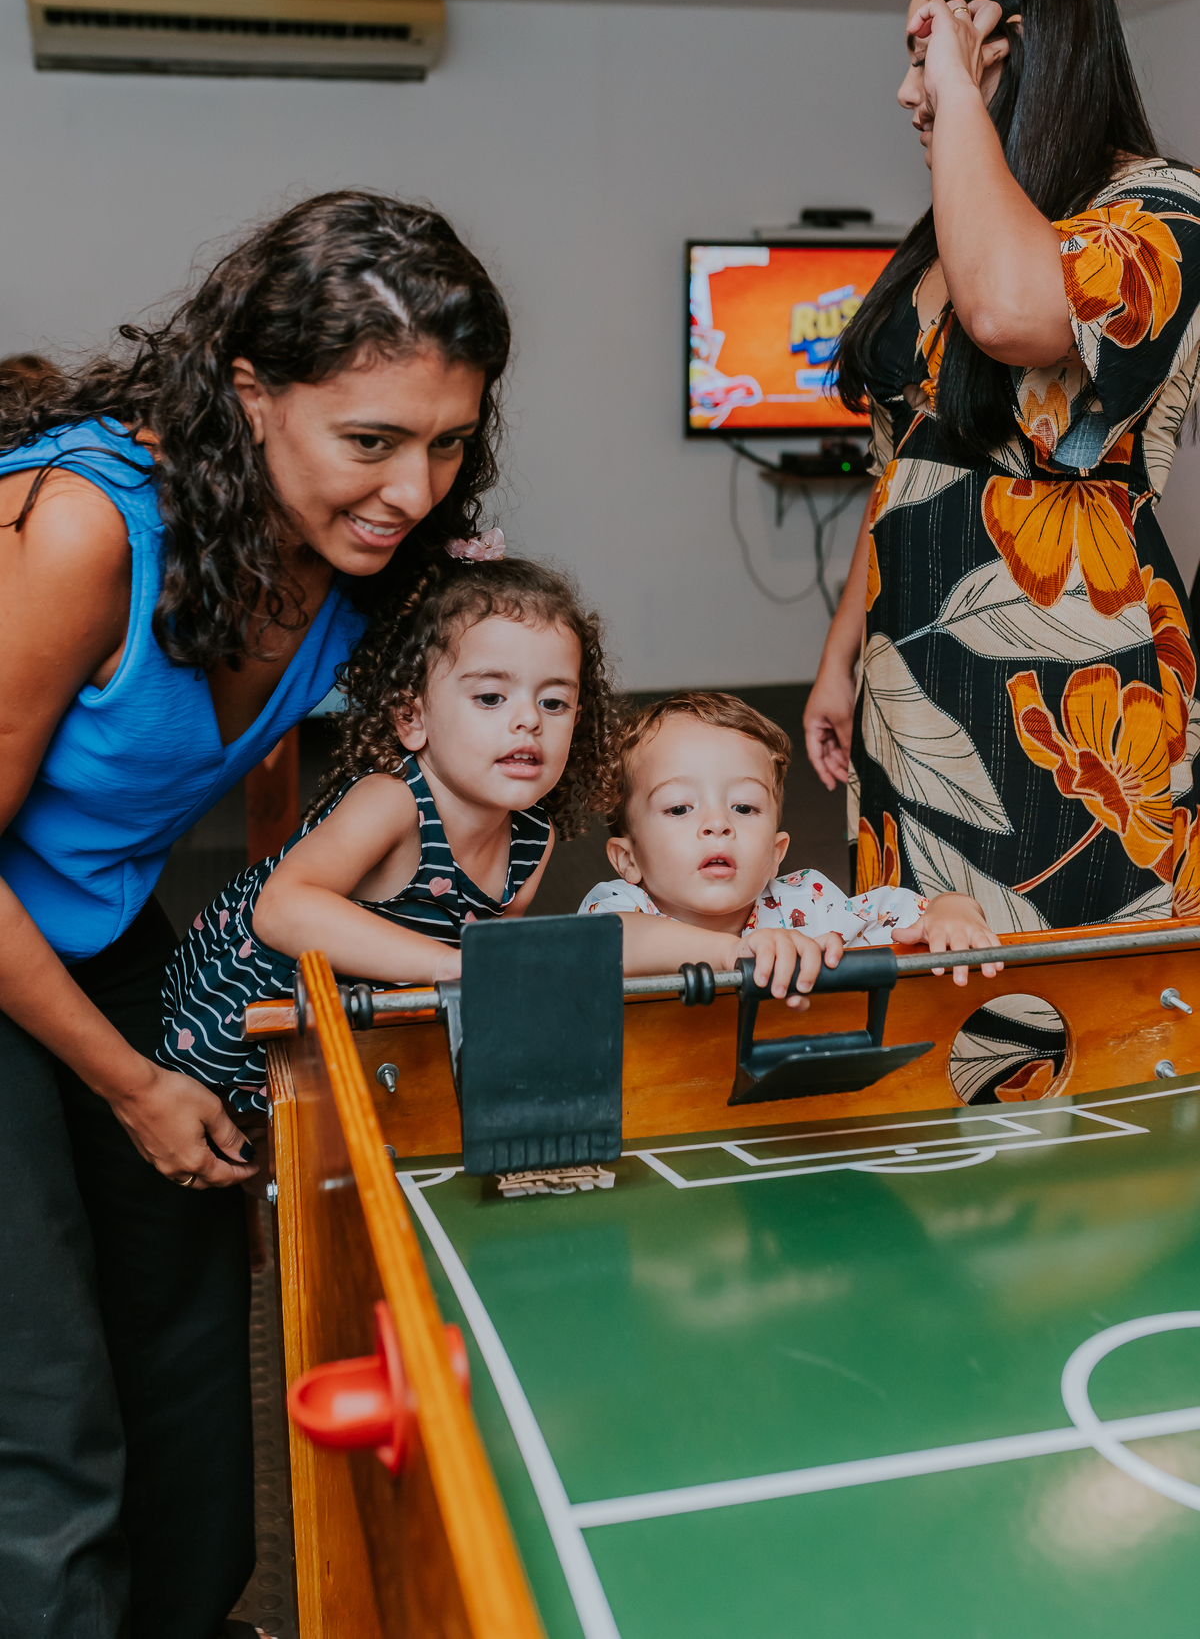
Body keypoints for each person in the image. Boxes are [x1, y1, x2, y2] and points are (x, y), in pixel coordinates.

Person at [0, 191, 510, 1638]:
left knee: (181, 1322)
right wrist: (136, 1083)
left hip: (93, 925)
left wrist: (282, 949)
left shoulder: (346, 548)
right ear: (249, 392)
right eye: (372, 440)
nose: (414, 488)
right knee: (44, 1395)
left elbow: (274, 758)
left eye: (450, 440)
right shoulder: (81, 525)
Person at [803, 0, 1200, 987]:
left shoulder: (1160, 205)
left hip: (1068, 670)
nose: (907, 89)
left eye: (924, 46)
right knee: (927, 955)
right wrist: (844, 654)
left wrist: (961, 94)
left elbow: (1014, 316)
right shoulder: (950, 229)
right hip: (915, 661)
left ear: (1007, 42)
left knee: (1057, 976)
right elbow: (907, 462)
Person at [160, 552, 615, 1109]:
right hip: (245, 1035)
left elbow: (485, 963)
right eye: (491, 697)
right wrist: (453, 965)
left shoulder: (531, 839)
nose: (530, 720)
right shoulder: (391, 802)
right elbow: (281, 911)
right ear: (412, 717)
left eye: (554, 701)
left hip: (369, 1028)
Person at [580, 692, 1000, 998]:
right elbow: (608, 945)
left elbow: (909, 916)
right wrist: (736, 952)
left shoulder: (807, 902)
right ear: (628, 859)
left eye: (743, 807)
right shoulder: (619, 908)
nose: (717, 824)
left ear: (775, 855)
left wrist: (954, 910)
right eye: (679, 809)